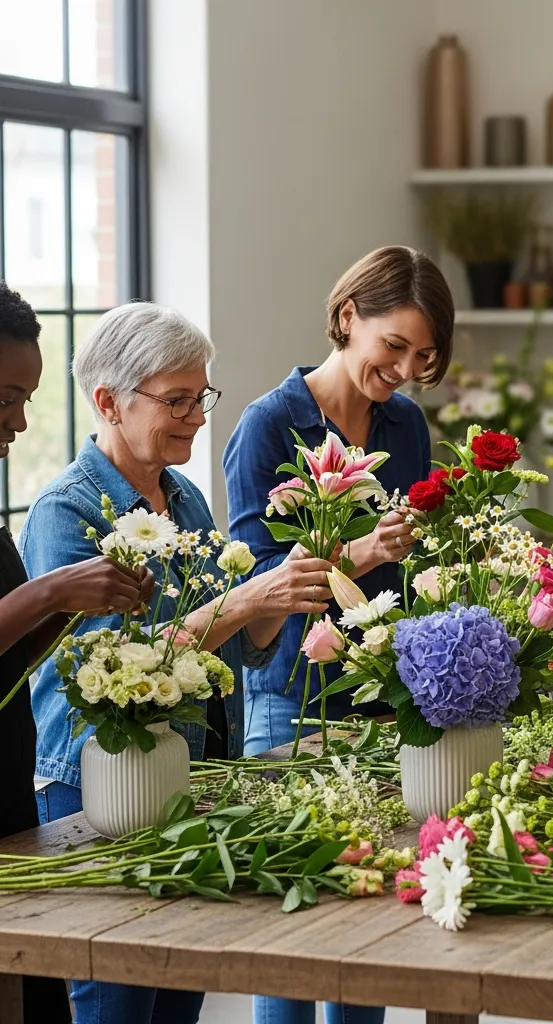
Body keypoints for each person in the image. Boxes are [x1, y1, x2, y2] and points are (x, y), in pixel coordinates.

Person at [20, 302, 337, 1024]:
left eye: (202, 397)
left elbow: (239, 650)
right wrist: (250, 596)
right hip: (101, 793)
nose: (197, 416)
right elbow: (116, 673)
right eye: (177, 400)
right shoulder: (67, 514)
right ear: (108, 401)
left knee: (174, 1001)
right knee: (116, 1000)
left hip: (191, 784)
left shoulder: (186, 497)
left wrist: (282, 593)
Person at [223, 245, 453, 1024]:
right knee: (291, 935)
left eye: (422, 357)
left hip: (382, 701)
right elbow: (255, 586)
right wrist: (363, 549)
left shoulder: (405, 424)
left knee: (369, 935)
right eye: (395, 346)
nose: (406, 368)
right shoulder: (268, 423)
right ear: (348, 316)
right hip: (292, 697)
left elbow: (410, 569)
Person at [0, 284, 150, 1023]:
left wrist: (78, 606)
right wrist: (55, 587)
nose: (22, 422)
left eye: (26, 398)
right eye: (5, 397)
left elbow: (14, 653)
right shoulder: (66, 503)